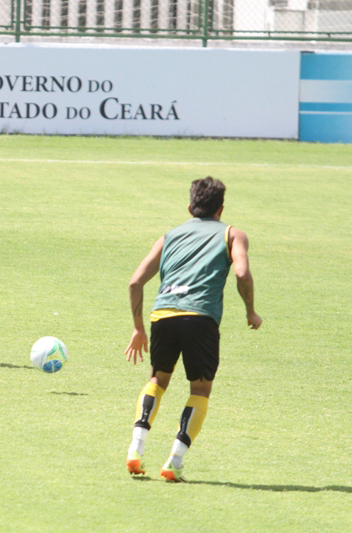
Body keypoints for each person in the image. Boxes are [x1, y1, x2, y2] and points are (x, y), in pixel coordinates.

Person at [124, 177, 262, 481]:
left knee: (158, 380)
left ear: (190, 207)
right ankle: (174, 462)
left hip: (162, 315)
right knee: (200, 390)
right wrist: (250, 311)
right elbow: (242, 273)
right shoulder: (233, 234)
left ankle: (135, 448)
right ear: (221, 208)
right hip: (200, 319)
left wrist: (138, 329)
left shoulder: (169, 236)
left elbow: (135, 282)